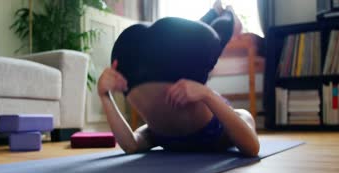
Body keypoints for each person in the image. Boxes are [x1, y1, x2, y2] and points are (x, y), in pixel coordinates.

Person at [97, 1, 259, 156]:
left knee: (210, 35)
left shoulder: (232, 121)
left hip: (202, 95)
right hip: (183, 70)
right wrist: (105, 96)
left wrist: (206, 94)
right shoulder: (154, 131)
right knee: (182, 41)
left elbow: (252, 148)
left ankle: (228, 13)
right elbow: (131, 144)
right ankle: (215, 12)